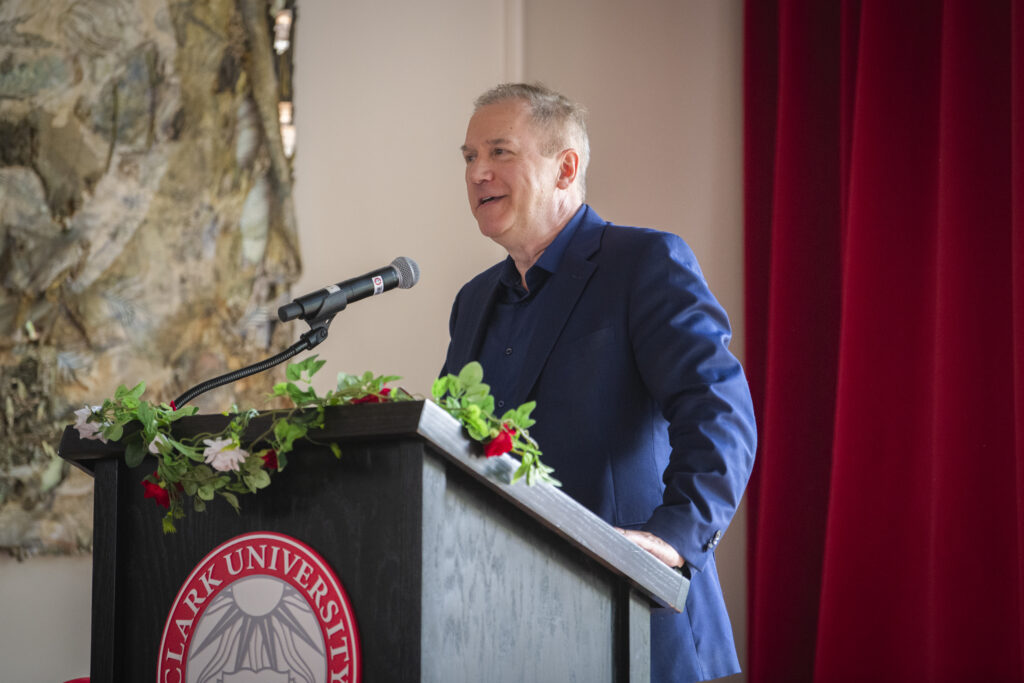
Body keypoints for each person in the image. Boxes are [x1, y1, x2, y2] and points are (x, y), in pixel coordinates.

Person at [441, 82, 756, 682]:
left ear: (566, 168)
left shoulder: (643, 264)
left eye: (500, 152)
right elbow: (456, 449)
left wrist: (672, 541)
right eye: (468, 157)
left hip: (635, 623)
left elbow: (720, 412)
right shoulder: (474, 300)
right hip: (506, 634)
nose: (478, 172)